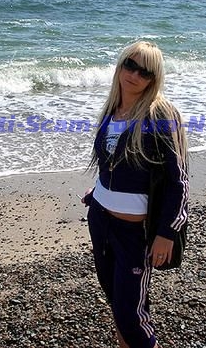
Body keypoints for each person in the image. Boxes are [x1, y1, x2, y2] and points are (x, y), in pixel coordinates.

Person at [81, 41, 189, 348]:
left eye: (145, 71)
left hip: (135, 234)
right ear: (120, 65)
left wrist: (167, 232)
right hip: (101, 222)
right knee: (118, 303)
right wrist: (99, 191)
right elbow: (112, 164)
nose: (134, 75)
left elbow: (178, 181)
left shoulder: (160, 116)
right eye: (130, 65)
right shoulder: (112, 110)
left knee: (131, 316)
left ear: (154, 79)